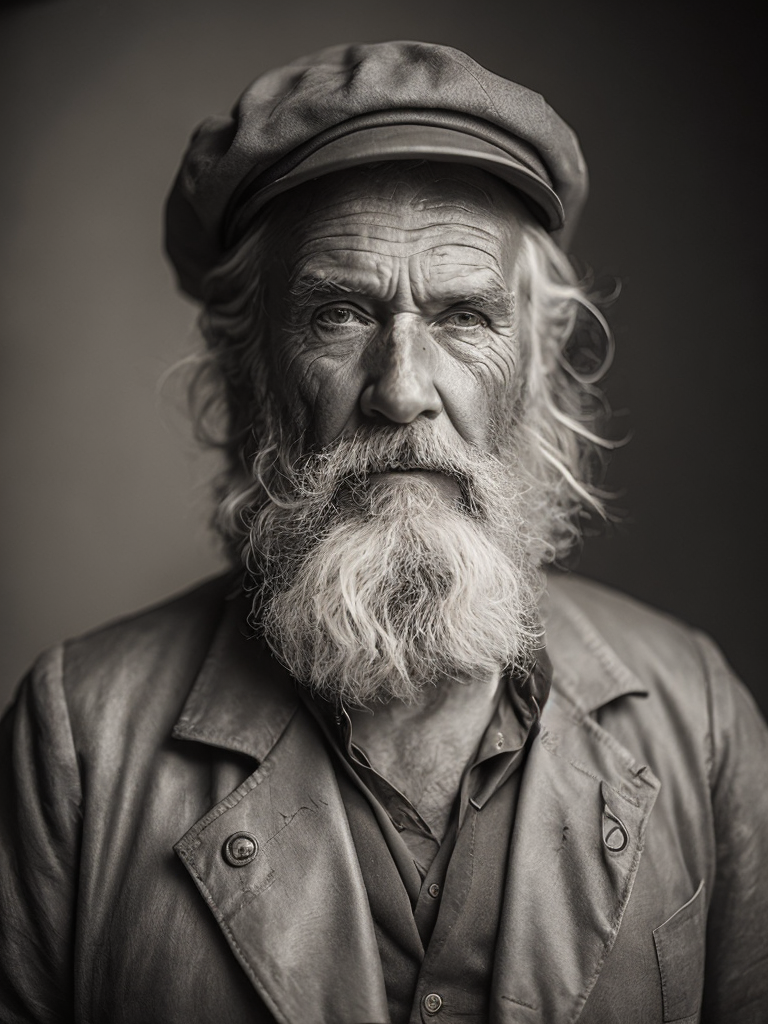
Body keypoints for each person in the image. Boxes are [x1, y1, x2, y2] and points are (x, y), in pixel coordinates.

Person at [1, 40, 766, 1024]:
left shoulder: (695, 715)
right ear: (249, 373)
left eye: (462, 315)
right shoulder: (77, 743)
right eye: (339, 312)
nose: (403, 389)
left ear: (536, 364)